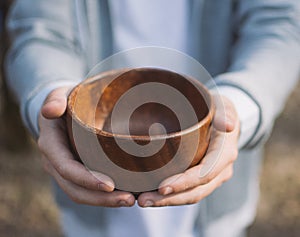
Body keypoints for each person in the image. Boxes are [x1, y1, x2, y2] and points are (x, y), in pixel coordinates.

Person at [5, 1, 300, 237]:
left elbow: (280, 25)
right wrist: (51, 96)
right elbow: (38, 30)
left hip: (214, 206)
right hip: (89, 186)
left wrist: (238, 104)